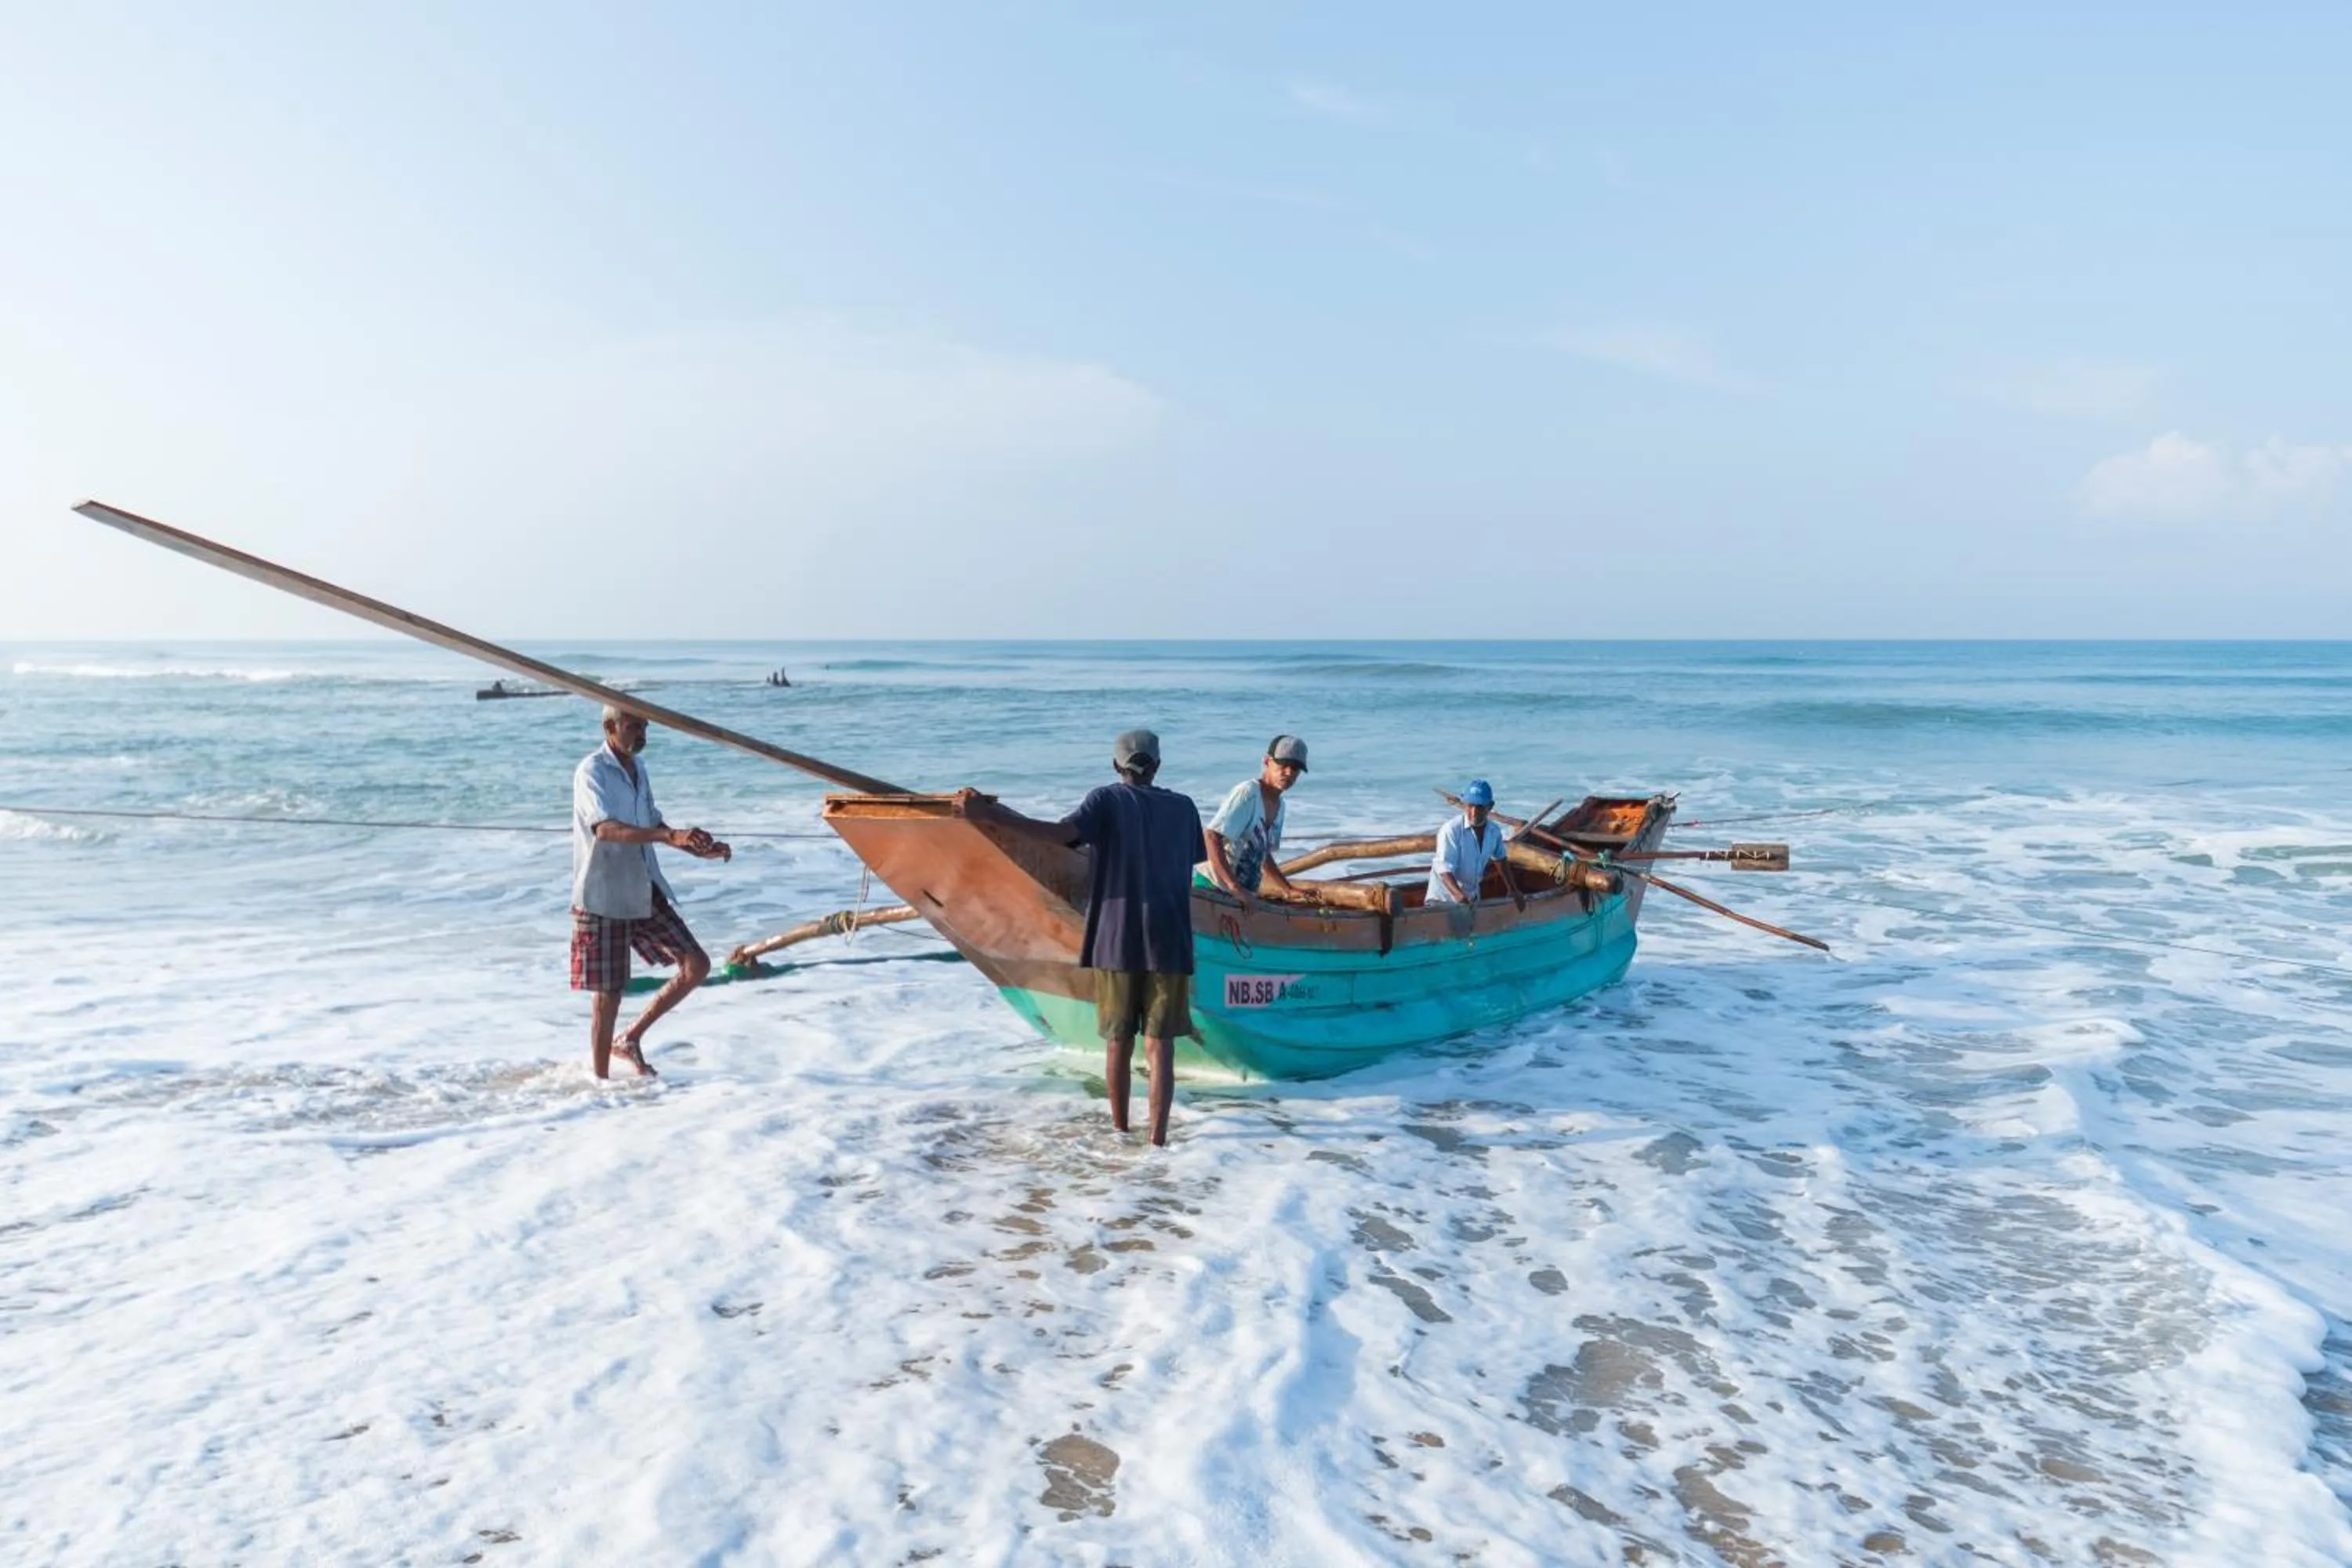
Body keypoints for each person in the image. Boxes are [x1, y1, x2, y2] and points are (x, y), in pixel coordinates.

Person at [969, 729, 1205, 1146]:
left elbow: (1061, 836)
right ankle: (1158, 1141)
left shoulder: (1107, 799)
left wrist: (994, 818)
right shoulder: (1184, 808)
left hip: (1118, 938)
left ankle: (1118, 1132)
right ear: (1159, 766)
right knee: (1160, 1044)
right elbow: (1189, 860)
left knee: (1118, 1041)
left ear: (1116, 766)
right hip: (1170, 937)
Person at [571, 705, 731, 1078]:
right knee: (609, 994)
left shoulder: (639, 769)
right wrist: (668, 835)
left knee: (697, 965)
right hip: (604, 893)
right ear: (610, 727)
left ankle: (629, 1039)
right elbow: (606, 829)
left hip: (644, 886)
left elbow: (651, 822)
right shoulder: (591, 771)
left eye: (644, 727)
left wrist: (694, 847)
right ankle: (600, 1085)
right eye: (633, 726)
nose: (641, 734)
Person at [1198, 735, 1308, 909]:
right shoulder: (1248, 793)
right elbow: (1211, 836)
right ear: (1267, 761)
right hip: (1213, 889)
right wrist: (1235, 888)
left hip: (1243, 897)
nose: (1288, 773)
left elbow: (1262, 855)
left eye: (1295, 769)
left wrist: (1287, 890)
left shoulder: (1280, 807)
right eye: (1283, 765)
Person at [1425, 779, 1519, 907]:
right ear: (1464, 805)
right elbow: (1444, 868)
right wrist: (1458, 895)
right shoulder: (1451, 830)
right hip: (1443, 901)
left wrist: (1513, 890)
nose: (1474, 813)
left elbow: (1500, 859)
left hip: (1472, 898)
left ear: (1490, 806)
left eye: (1479, 807)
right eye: (1470, 806)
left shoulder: (1494, 831)